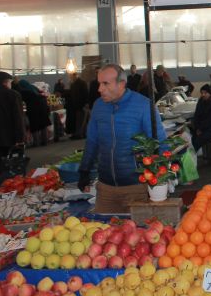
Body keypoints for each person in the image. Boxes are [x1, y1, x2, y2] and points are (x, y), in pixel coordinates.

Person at [77, 64, 167, 213]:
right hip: (106, 190)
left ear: (121, 84)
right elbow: (92, 141)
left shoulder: (143, 106)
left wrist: (162, 177)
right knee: (102, 230)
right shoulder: (98, 106)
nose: (100, 89)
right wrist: (84, 170)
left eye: (105, 83)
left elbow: (159, 142)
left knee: (140, 232)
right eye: (99, 83)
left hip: (136, 188)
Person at [14, 78, 51, 147]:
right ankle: (45, 141)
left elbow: (22, 99)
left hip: (33, 109)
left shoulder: (24, 91)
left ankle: (36, 143)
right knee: (43, 125)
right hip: (42, 107)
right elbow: (40, 92)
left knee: (35, 126)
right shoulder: (32, 87)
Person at [191, 84, 211, 158]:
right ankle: (193, 157)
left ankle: (191, 158)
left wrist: (201, 129)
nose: (203, 95)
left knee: (197, 141)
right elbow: (197, 115)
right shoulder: (201, 101)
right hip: (202, 127)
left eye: (205, 93)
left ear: (210, 93)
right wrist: (197, 128)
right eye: (202, 93)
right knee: (192, 138)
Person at [66, 72, 88, 139]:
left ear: (75, 76)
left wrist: (86, 103)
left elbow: (86, 93)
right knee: (77, 121)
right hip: (75, 106)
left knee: (80, 121)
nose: (71, 78)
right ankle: (77, 134)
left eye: (71, 77)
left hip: (80, 105)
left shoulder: (82, 83)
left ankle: (80, 134)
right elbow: (71, 94)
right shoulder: (73, 84)